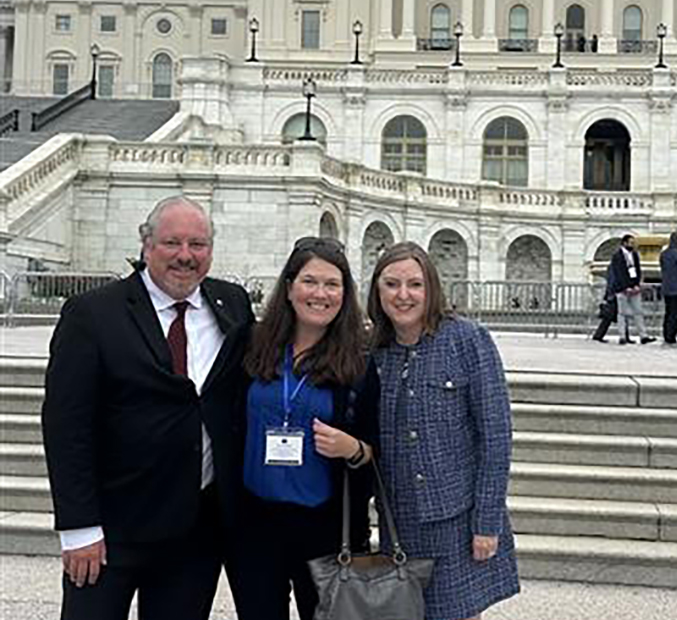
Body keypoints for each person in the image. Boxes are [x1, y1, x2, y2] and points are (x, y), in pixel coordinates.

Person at [41, 196, 254, 620]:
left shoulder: (232, 304)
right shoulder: (93, 314)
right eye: (172, 242)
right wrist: (79, 528)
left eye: (198, 244)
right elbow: (66, 426)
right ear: (146, 245)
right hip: (111, 529)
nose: (185, 255)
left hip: (195, 532)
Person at [367, 242, 520, 620]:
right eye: (391, 284)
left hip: (457, 521)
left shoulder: (467, 339)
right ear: (377, 291)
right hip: (399, 521)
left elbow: (495, 437)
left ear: (431, 288)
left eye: (415, 284)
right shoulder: (373, 350)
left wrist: (487, 523)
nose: (403, 295)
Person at [237, 237, 379, 620]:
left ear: (345, 294)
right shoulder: (252, 346)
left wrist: (353, 448)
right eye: (309, 281)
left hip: (325, 527)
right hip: (256, 521)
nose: (320, 294)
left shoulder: (360, 361)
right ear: (289, 288)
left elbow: (378, 447)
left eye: (332, 284)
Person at [609, 234, 656, 345]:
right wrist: (625, 287)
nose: (633, 245)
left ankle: (643, 336)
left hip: (634, 288)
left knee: (638, 312)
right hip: (622, 289)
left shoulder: (634, 254)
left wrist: (637, 285)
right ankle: (622, 336)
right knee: (622, 313)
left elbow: (637, 270)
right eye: (631, 243)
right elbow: (618, 273)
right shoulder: (617, 256)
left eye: (633, 243)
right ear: (624, 243)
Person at [591, 256, 620, 343]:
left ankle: (598, 335)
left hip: (613, 294)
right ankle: (598, 335)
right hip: (614, 294)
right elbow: (612, 281)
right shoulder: (614, 267)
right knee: (614, 317)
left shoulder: (614, 266)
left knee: (610, 318)